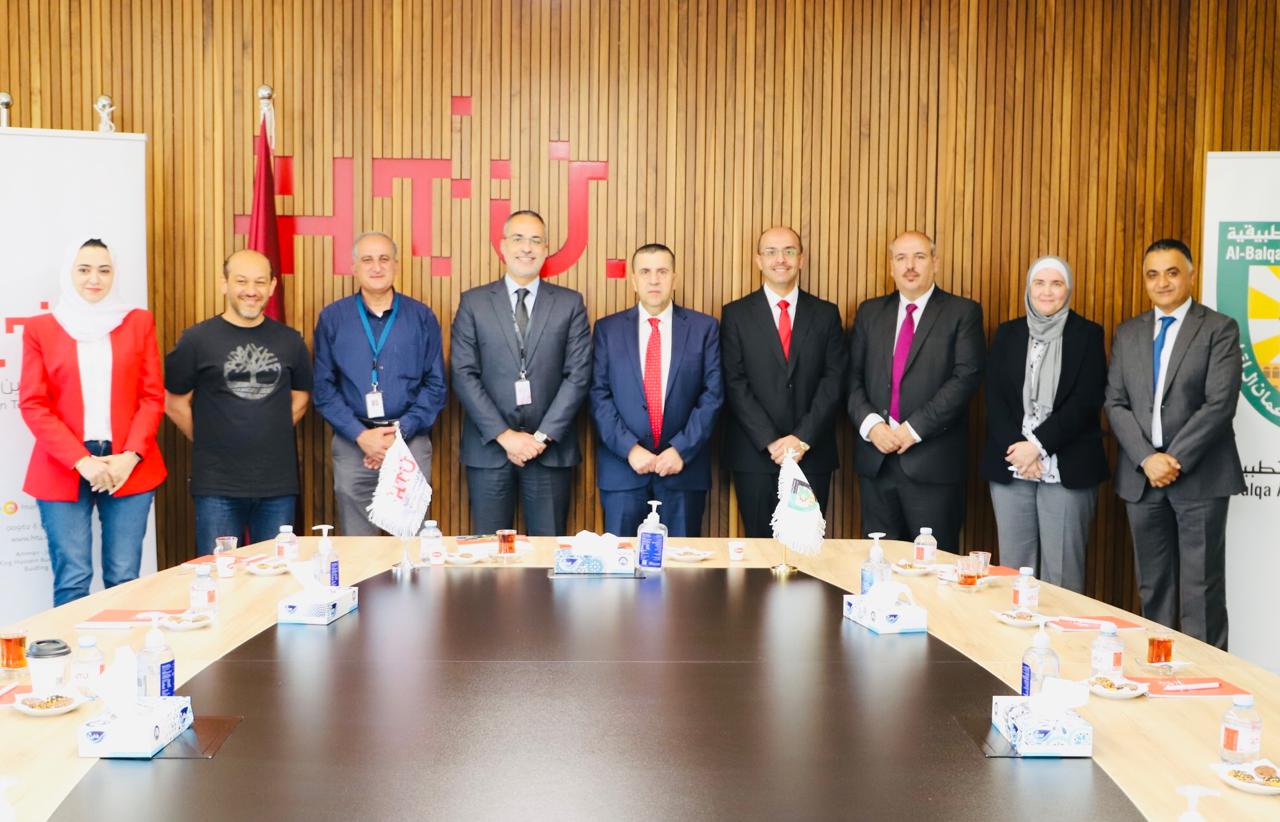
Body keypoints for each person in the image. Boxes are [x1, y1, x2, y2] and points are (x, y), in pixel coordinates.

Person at [1104, 239, 1244, 649]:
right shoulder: (1128, 332)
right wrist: (1148, 459)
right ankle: (1160, 671)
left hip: (1200, 478)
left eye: (1172, 272)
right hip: (1142, 479)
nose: (1162, 282)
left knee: (1202, 591)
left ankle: (1206, 680)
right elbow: (1115, 403)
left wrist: (1173, 459)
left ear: (1191, 275)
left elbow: (1220, 404)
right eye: (1152, 274)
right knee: (1154, 587)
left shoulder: (1219, 328)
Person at [19, 238, 166, 606]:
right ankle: (70, 648)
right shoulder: (41, 329)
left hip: (127, 462)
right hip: (64, 464)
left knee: (123, 577)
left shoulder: (137, 321)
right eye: (84, 269)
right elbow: (33, 403)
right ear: (69, 273)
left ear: (115, 274)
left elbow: (152, 396)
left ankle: (124, 645)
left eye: (104, 270)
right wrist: (81, 460)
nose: (94, 279)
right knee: (72, 578)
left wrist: (131, 456)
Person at [451, 210, 592, 536]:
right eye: (518, 239)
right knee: (489, 551)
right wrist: (506, 436)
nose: (526, 248)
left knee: (547, 551)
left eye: (535, 240)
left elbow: (578, 375)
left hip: (549, 451)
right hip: (489, 449)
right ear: (503, 246)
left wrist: (540, 439)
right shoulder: (474, 302)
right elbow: (463, 373)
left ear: (545, 250)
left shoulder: (570, 304)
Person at [164, 249, 313, 555]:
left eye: (260, 282)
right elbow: (174, 403)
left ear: (272, 287)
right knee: (220, 573)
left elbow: (301, 398)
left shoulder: (290, 340)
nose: (251, 290)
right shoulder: (196, 340)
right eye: (242, 281)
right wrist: (209, 438)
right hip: (217, 486)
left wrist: (268, 432)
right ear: (224, 283)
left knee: (276, 572)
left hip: (277, 485)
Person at [846, 231, 984, 551]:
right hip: (876, 461)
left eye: (919, 257)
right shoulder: (870, 312)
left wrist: (913, 429)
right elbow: (851, 377)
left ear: (935, 263)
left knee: (934, 566)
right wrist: (872, 426)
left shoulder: (962, 312)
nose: (910, 266)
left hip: (932, 464)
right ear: (891, 267)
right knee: (879, 563)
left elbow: (965, 378)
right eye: (901, 258)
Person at [980, 256, 1108, 592]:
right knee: (1014, 571)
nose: (1047, 292)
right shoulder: (1008, 333)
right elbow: (994, 398)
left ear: (1068, 289)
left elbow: (1086, 400)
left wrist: (1036, 446)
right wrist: (1019, 450)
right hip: (1013, 465)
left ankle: (1060, 630)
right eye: (1039, 283)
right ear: (1028, 288)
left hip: (1067, 465)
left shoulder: (1088, 334)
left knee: (1062, 576)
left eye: (1056, 283)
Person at [313, 232, 447, 536]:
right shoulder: (333, 318)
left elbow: (436, 385)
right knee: (359, 543)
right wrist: (361, 435)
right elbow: (323, 388)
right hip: (353, 442)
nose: (376, 267)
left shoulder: (421, 316)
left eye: (384, 259)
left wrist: (399, 433)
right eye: (367, 260)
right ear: (354, 267)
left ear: (396, 265)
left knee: (411, 541)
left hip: (409, 441)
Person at [720, 226, 847, 537]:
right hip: (755, 454)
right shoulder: (736, 314)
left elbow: (833, 380)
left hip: (811, 453)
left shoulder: (826, 314)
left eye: (789, 251)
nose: (781, 259)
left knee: (807, 547)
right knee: (760, 550)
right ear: (758, 260)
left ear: (801, 259)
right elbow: (734, 382)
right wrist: (771, 441)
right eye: (771, 252)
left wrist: (801, 438)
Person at [589, 243, 723, 537]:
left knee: (681, 563)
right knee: (621, 560)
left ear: (674, 279)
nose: (654, 280)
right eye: (645, 272)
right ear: (633, 280)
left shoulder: (704, 328)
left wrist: (681, 449)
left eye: (662, 272)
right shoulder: (608, 330)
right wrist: (630, 449)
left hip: (683, 470)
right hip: (623, 471)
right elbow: (598, 396)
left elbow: (712, 396)